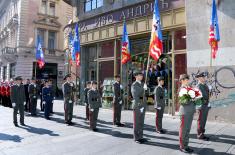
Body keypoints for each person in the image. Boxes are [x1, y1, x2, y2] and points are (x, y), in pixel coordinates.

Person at [178, 74, 195, 153]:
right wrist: (191, 98)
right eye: (186, 80)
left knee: (188, 129)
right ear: (182, 81)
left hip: (190, 111)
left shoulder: (189, 88)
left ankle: (186, 145)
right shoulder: (182, 89)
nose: (187, 81)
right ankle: (182, 146)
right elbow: (182, 101)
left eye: (188, 79)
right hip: (184, 112)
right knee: (183, 130)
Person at [131, 70, 148, 144]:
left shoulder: (143, 84)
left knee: (141, 122)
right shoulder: (134, 85)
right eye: (140, 75)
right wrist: (143, 89)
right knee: (137, 122)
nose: (141, 76)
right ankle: (136, 137)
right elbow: (136, 96)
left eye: (142, 75)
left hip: (143, 104)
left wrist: (146, 89)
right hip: (138, 106)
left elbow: (145, 94)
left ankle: (140, 136)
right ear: (136, 76)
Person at [196, 72, 210, 141]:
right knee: (200, 121)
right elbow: (199, 98)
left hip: (205, 105)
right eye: (202, 77)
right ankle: (200, 134)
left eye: (204, 77)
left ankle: (202, 133)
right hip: (201, 106)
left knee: (203, 120)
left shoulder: (204, 85)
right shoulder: (199, 86)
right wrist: (206, 101)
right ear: (199, 78)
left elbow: (207, 94)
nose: (204, 78)